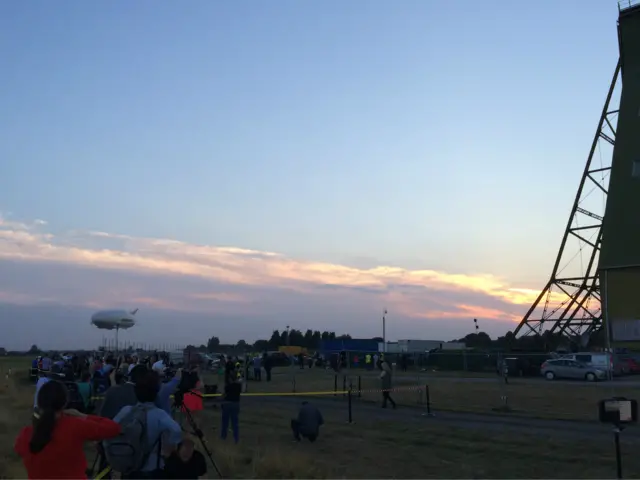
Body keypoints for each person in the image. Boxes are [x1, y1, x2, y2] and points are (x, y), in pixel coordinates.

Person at [14, 380, 121, 479]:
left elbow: (19, 450)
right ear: (65, 402)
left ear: (39, 403)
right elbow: (113, 428)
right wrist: (84, 416)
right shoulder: (75, 426)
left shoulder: (25, 434)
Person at [110, 370, 183, 479]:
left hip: (129, 467)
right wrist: (169, 447)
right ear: (155, 393)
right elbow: (176, 431)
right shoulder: (160, 415)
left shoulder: (126, 411)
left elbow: (111, 428)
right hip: (152, 469)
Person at [220, 369, 241, 443]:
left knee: (225, 422)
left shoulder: (227, 386)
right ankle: (236, 438)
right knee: (235, 423)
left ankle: (223, 436)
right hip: (236, 404)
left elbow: (223, 395)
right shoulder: (239, 386)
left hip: (227, 404)